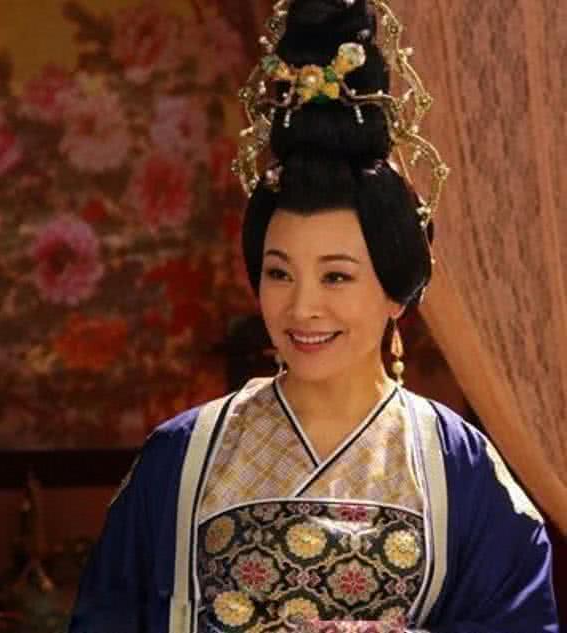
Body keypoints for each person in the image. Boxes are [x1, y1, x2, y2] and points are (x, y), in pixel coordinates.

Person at [68, 1, 559, 631]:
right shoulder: (181, 457)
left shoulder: (456, 467)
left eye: (336, 276)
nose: (301, 307)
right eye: (279, 273)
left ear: (396, 290)